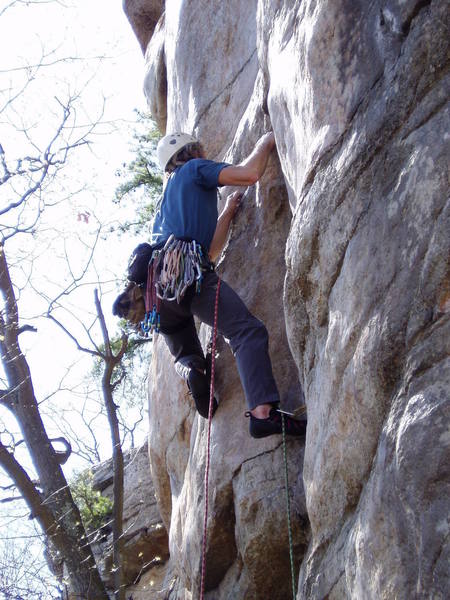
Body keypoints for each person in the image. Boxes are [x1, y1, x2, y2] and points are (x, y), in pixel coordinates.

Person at [117, 131, 306, 439]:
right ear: (192, 151)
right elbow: (249, 174)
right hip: (187, 278)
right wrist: (267, 142)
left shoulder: (164, 204)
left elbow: (209, 251)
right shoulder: (194, 169)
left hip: (158, 297)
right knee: (246, 330)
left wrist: (228, 214)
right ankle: (263, 413)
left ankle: (192, 370)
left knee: (184, 352)